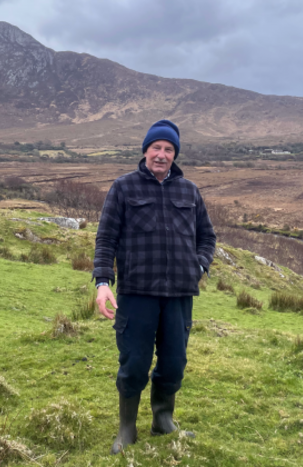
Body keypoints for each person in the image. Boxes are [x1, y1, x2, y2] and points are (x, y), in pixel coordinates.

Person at [92, 119, 216, 454]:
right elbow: (106, 239)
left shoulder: (188, 191)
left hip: (178, 294)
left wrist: (200, 265)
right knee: (134, 362)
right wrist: (103, 282)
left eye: (168, 149)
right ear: (145, 150)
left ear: (175, 155)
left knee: (175, 362)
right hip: (136, 294)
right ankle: (127, 429)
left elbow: (207, 237)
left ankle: (164, 420)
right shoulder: (124, 187)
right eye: (156, 148)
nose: (161, 155)